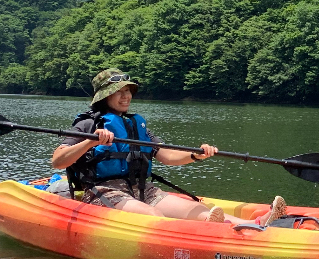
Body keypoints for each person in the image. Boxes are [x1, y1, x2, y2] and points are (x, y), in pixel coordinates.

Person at [50, 69, 286, 228]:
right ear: (104, 96)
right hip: (105, 191)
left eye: (128, 91)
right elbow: (58, 161)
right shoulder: (88, 124)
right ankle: (206, 238)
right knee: (154, 217)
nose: (126, 96)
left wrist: (195, 155)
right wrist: (91, 141)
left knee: (197, 210)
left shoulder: (136, 125)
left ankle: (255, 225)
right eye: (119, 92)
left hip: (142, 189)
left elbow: (168, 156)